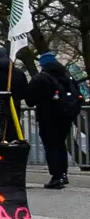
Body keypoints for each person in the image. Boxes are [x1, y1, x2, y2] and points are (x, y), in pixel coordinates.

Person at [28, 52, 79, 190]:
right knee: (60, 144)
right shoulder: (68, 76)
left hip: (48, 116)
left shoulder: (40, 79)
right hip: (66, 115)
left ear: (42, 64)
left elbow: (30, 100)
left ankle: (56, 177)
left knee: (51, 146)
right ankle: (63, 174)